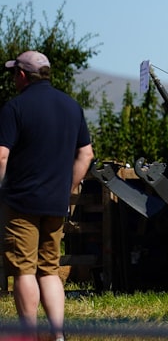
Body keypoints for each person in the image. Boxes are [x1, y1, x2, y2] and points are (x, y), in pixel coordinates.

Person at [0, 50, 94, 341]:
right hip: (55, 203)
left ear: (23, 75)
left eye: (15, 72)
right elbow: (86, 153)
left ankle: (28, 334)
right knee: (50, 270)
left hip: (20, 202)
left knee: (24, 271)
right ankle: (57, 335)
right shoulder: (71, 107)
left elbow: (2, 155)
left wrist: (2, 189)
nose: (14, 77)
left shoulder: (14, 108)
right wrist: (67, 187)